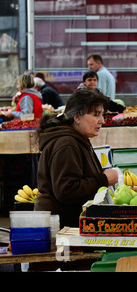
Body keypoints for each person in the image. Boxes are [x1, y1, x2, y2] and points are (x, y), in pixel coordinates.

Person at [35, 89, 119, 227]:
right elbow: (66, 190)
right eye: (96, 115)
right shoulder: (67, 144)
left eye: (102, 114)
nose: (102, 120)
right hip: (60, 228)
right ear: (77, 117)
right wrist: (103, 179)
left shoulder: (78, 139)